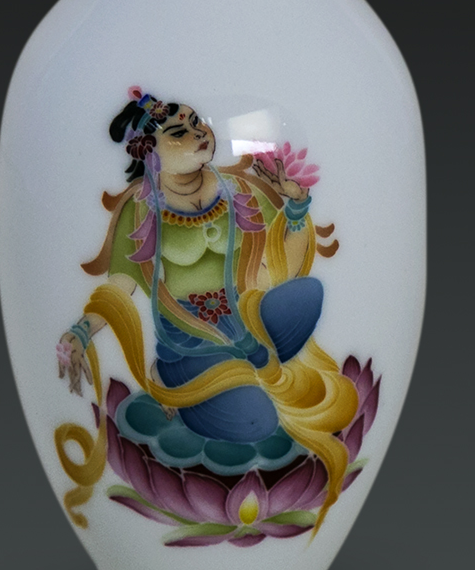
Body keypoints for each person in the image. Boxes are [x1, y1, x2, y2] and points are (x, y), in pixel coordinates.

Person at [57, 87, 334, 457]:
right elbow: (119, 290)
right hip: (189, 338)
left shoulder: (237, 189)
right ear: (149, 152)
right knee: (258, 422)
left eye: (196, 122)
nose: (198, 133)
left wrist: (297, 205)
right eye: (178, 132)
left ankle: (246, 371)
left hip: (246, 317)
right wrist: (81, 332)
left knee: (308, 294)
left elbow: (282, 268)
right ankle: (176, 381)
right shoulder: (140, 211)